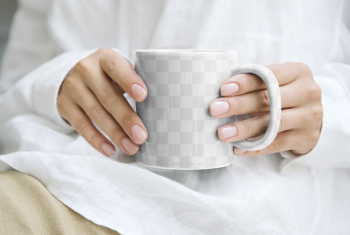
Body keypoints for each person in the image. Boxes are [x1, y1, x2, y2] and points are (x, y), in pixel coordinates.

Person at [0, 0, 349, 234]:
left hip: (268, 205)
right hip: (76, 180)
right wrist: (58, 81)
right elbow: (13, 84)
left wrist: (327, 115)